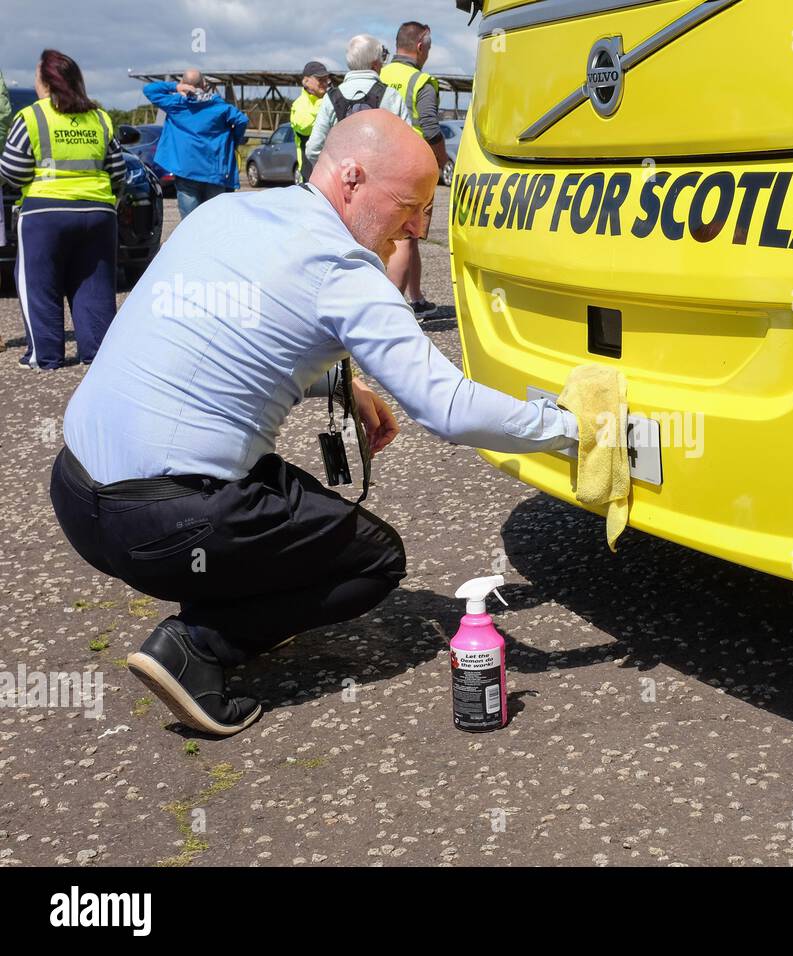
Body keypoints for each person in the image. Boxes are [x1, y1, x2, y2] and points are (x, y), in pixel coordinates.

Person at [49, 111, 579, 737]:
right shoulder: (346, 271)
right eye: (408, 206)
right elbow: (449, 408)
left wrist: (341, 382)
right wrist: (572, 426)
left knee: (264, 487)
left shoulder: (225, 212)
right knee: (374, 560)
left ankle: (210, 602)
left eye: (426, 210)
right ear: (351, 178)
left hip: (76, 495)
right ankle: (197, 646)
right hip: (165, 523)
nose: (415, 228)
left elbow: (221, 332)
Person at [0, 49, 125, 370]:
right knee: (95, 285)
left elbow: (12, 171)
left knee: (39, 284)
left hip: (45, 214)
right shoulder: (99, 117)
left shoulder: (32, 117)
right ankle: (97, 354)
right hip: (98, 214)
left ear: (44, 82)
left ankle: (45, 356)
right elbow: (118, 172)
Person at [381, 21, 451, 315]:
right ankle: (393, 309)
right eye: (429, 49)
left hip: (380, 163)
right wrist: (442, 159)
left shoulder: (380, 74)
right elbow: (431, 128)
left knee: (397, 236)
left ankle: (417, 298)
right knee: (407, 237)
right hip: (412, 169)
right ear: (420, 47)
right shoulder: (421, 83)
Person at [143, 70, 248, 219]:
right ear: (204, 84)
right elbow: (242, 121)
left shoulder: (176, 104)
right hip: (214, 172)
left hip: (186, 170)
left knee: (190, 221)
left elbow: (149, 90)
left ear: (185, 84)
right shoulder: (219, 106)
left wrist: (176, 87)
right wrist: (233, 142)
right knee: (216, 220)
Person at [304, 34, 411, 169]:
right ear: (375, 64)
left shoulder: (331, 98)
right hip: (380, 183)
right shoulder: (391, 96)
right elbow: (409, 147)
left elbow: (313, 149)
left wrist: (333, 172)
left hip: (339, 183)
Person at [290, 61, 331, 184]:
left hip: (331, 170)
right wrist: (326, 105)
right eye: (320, 79)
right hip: (310, 173)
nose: (325, 83)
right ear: (306, 81)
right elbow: (305, 127)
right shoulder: (299, 104)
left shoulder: (329, 100)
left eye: (326, 79)